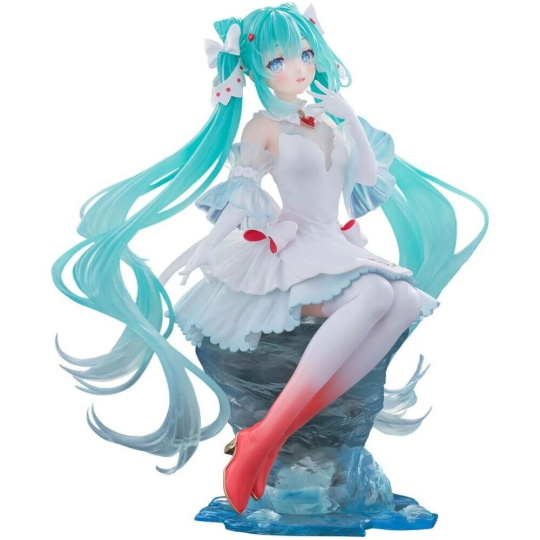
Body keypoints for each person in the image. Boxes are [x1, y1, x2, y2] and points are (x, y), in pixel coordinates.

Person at [52, 3, 488, 515]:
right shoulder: (263, 127)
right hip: (297, 248)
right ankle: (266, 438)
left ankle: (269, 435)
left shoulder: (331, 119)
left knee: (407, 299)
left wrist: (349, 118)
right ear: (256, 70)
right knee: (375, 292)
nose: (297, 68)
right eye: (278, 61)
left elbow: (368, 182)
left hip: (336, 243)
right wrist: (210, 243)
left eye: (304, 54)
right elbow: (243, 195)